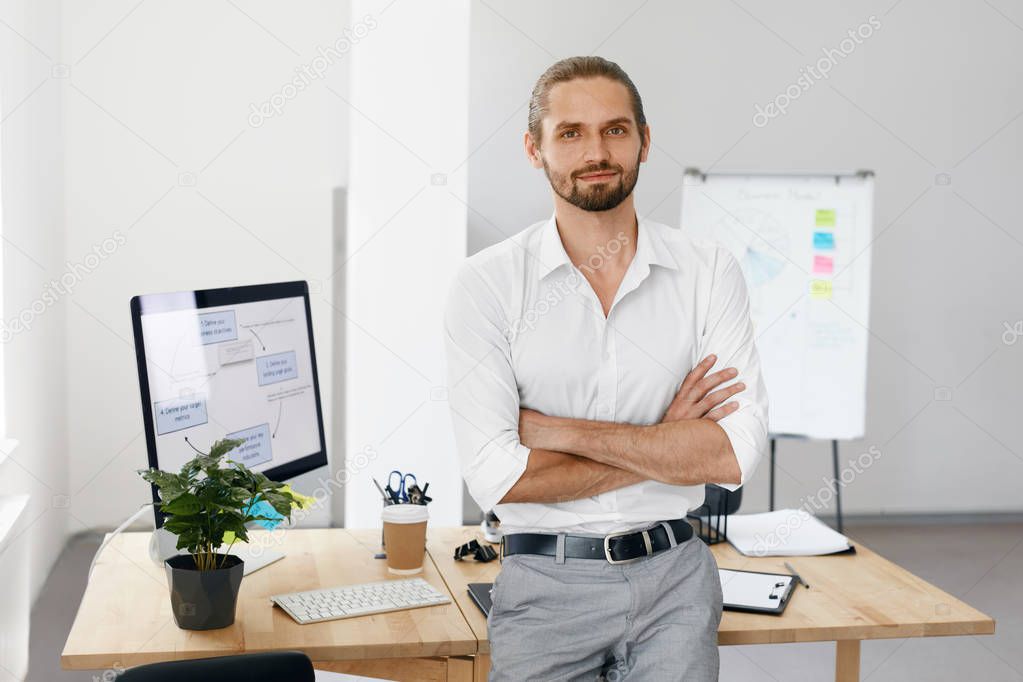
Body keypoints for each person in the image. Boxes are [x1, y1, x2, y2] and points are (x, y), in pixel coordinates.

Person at [443, 56, 769, 681]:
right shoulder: (486, 286)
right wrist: (665, 442)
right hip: (544, 591)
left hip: (677, 582)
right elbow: (499, 480)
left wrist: (557, 432)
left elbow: (730, 457)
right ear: (534, 149)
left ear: (645, 141)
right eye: (570, 133)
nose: (596, 150)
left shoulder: (708, 272)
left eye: (616, 130)